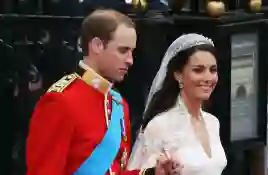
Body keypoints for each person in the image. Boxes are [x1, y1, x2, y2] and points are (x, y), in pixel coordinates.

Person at [26, 9, 182, 175]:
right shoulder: (60, 100)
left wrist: (153, 173)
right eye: (123, 51)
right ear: (97, 46)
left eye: (132, 52)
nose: (130, 60)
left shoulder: (118, 102)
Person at [127, 34, 227, 175]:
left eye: (213, 70)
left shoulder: (213, 122)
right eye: (198, 70)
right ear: (178, 74)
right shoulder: (160, 125)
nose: (208, 78)